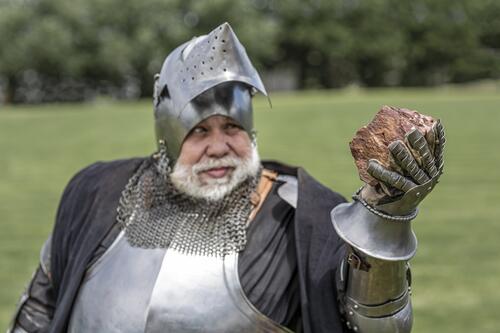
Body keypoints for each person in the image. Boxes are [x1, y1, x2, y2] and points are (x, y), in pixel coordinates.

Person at [8, 22, 445, 333]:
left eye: (232, 128)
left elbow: (379, 327)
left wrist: (385, 218)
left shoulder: (302, 221)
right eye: (200, 131)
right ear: (168, 139)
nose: (219, 146)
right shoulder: (97, 193)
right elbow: (38, 313)